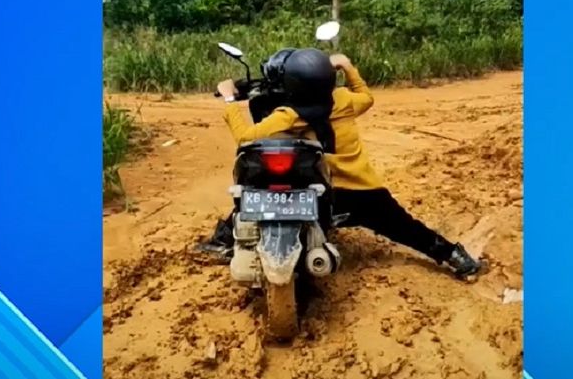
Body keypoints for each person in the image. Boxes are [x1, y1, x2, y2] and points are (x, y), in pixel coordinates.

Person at [201, 48, 482, 280]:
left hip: (314, 188)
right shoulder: (343, 100)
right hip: (360, 190)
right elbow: (367, 97)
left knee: (261, 188)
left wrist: (228, 99)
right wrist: (347, 66)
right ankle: (454, 256)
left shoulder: (288, 114)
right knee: (405, 226)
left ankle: (224, 240)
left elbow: (246, 137)